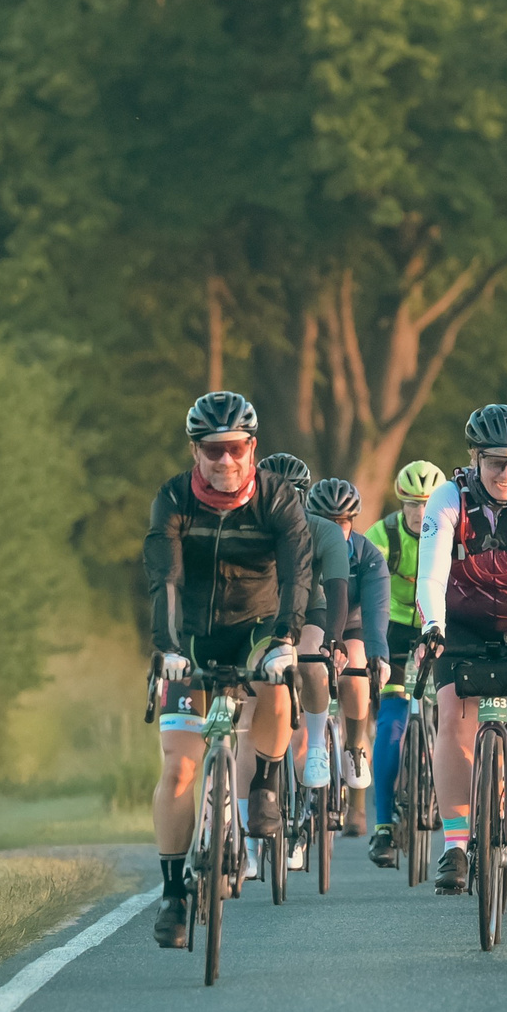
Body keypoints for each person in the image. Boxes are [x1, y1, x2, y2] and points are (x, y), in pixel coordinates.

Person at [141, 392, 314, 947]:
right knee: (179, 771)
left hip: (258, 625)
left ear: (252, 448)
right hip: (191, 634)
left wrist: (285, 639)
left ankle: (263, 781)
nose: (224, 461)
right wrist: (168, 649)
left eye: (235, 449)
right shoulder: (172, 498)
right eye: (212, 451)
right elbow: (163, 579)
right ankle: (173, 894)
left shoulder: (278, 500)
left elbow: (295, 578)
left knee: (278, 686)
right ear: (196, 451)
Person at [415, 404, 507, 894]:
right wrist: (433, 624)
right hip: (460, 621)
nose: (506, 473)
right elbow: (432, 572)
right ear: (475, 458)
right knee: (452, 715)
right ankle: (455, 845)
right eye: (496, 461)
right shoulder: (447, 499)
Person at [363, 458, 444, 867]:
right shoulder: (383, 535)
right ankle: (381, 827)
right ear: (401, 502)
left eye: (427, 503)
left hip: (438, 625)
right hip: (393, 627)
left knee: (453, 714)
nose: (420, 512)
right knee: (391, 721)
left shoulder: (451, 528)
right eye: (412, 503)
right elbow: (367, 586)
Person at [264, 453, 336, 870]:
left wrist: (335, 644)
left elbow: (332, 587)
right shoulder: (253, 523)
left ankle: (307, 798)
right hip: (264, 614)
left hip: (310, 609)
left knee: (310, 665)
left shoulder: (312, 530)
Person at [310, 477, 388, 839]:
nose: (335, 530)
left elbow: (375, 614)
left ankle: (355, 748)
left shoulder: (368, 554)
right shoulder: (298, 548)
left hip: (353, 626)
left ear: (352, 522)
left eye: (342, 522)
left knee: (355, 666)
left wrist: (377, 655)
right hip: (311, 623)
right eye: (327, 521)